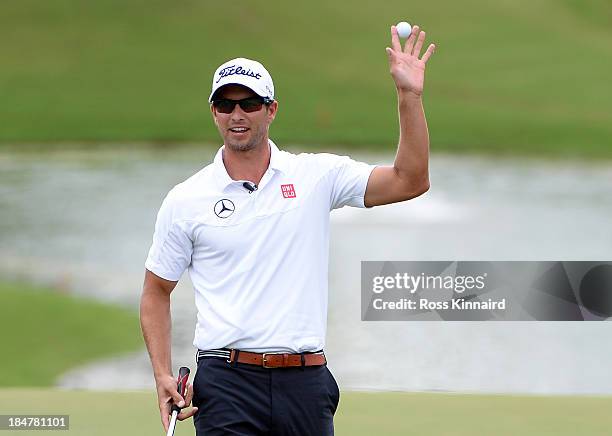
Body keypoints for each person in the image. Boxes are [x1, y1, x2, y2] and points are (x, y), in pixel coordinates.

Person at [140, 24, 435, 435]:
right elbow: (157, 291)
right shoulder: (185, 199)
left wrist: (409, 97)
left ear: (272, 109)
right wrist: (161, 374)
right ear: (214, 112)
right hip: (226, 383)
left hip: (304, 379)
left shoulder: (316, 175)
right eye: (225, 104)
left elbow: (410, 180)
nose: (237, 114)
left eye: (249, 103)